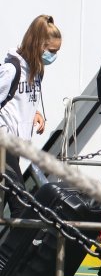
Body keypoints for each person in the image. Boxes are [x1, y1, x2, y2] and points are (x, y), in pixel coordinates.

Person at [0, 15, 59, 217]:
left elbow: (19, 99)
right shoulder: (11, 70)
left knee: (14, 201)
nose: (55, 55)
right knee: (19, 204)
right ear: (39, 45)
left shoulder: (36, 71)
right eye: (52, 51)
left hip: (16, 145)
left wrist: (35, 113)